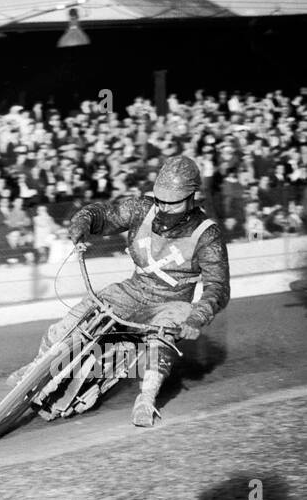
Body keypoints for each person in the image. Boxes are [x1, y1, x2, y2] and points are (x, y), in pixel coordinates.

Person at [28, 156, 230, 427]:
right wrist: (84, 220)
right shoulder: (141, 208)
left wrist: (197, 318)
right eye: (161, 199)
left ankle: (146, 399)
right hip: (132, 290)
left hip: (173, 302)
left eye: (174, 202)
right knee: (81, 313)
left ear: (192, 197)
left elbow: (218, 287)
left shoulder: (207, 234)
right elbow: (105, 215)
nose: (164, 208)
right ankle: (37, 367)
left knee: (161, 340)